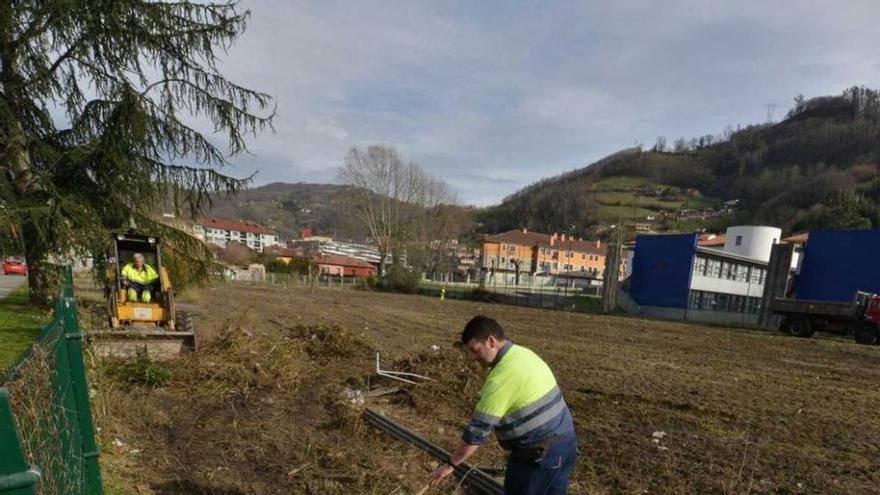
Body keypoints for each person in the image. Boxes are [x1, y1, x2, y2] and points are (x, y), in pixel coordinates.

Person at [429, 315, 578, 494]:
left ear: (491, 341)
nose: (473, 358)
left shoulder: (501, 378)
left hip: (538, 455)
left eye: (475, 350)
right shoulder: (524, 354)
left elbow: (477, 432)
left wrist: (451, 464)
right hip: (566, 444)